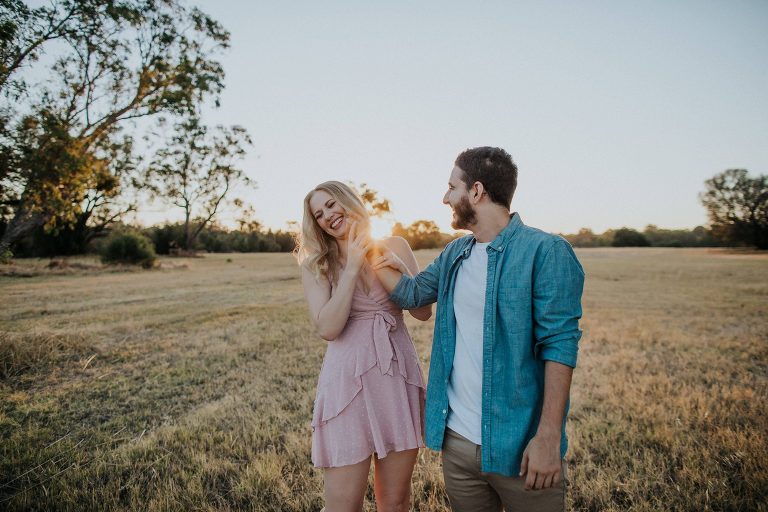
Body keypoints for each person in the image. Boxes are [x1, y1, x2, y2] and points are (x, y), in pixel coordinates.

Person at [371, 147, 585, 512]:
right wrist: (368, 251)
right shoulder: (457, 253)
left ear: (477, 191)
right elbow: (413, 292)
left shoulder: (546, 251)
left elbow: (559, 348)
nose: (445, 197)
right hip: (457, 445)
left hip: (521, 447)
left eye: (452, 187)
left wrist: (548, 437)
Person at [295, 181, 432, 512]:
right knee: (343, 506)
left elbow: (423, 311)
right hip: (348, 387)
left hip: (397, 378)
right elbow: (328, 327)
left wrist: (401, 273)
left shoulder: (395, 244)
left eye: (331, 204)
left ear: (348, 201)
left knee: (396, 503)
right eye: (319, 213)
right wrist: (354, 264)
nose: (328, 215)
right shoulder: (318, 265)